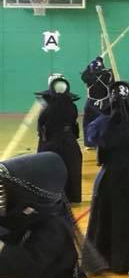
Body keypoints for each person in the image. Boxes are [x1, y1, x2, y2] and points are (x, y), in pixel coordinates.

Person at [85, 81, 129, 275]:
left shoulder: (102, 121)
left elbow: (90, 137)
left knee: (107, 215)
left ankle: (105, 259)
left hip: (109, 175)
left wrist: (105, 114)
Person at [36, 75, 83, 204]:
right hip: (68, 141)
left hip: (50, 142)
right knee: (71, 167)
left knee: (48, 168)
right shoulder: (71, 107)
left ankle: (49, 196)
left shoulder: (47, 107)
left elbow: (41, 124)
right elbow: (73, 124)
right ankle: (71, 196)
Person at [80, 56, 113, 149]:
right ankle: (105, 142)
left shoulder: (88, 77)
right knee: (105, 122)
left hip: (92, 103)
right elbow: (111, 76)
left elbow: (84, 74)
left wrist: (93, 62)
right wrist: (101, 62)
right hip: (105, 103)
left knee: (88, 122)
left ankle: (90, 143)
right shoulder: (107, 75)